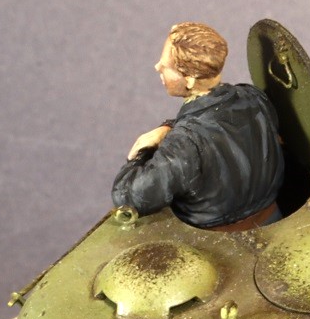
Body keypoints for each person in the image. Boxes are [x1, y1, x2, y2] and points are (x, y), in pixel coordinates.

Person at [112, 22, 284, 231]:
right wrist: (168, 128)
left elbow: (128, 197)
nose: (158, 67)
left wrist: (139, 155)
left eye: (166, 66)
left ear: (189, 80)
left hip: (218, 240)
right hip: (276, 221)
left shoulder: (184, 144)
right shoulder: (254, 97)